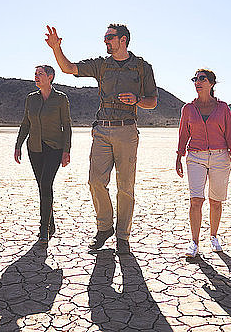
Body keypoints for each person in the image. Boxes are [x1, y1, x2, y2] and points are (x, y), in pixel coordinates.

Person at [44, 24, 158, 254]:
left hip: (126, 130)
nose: (105, 41)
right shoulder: (101, 65)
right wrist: (56, 48)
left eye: (109, 37)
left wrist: (136, 100)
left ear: (123, 40)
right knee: (95, 181)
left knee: (125, 187)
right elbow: (68, 68)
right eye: (104, 38)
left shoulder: (142, 68)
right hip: (102, 131)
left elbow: (152, 101)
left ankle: (123, 236)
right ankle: (105, 227)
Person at [176, 69, 231, 258]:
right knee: (196, 200)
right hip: (195, 157)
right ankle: (194, 243)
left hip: (220, 157)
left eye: (202, 79)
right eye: (195, 79)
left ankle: (213, 236)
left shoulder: (223, 108)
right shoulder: (188, 109)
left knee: (215, 201)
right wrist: (179, 156)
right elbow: (183, 134)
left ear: (212, 83)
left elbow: (230, 133)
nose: (197, 82)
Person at [14, 65, 72, 243]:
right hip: (35, 148)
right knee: (42, 186)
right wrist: (18, 145)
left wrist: (66, 150)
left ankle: (43, 230)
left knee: (46, 183)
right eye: (35, 74)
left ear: (50, 76)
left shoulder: (61, 99)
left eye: (40, 74)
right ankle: (50, 224)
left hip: (54, 148)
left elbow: (67, 126)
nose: (36, 77)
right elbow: (26, 123)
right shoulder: (31, 99)